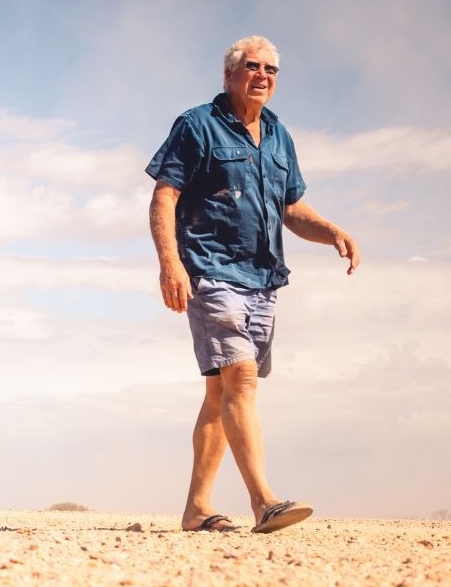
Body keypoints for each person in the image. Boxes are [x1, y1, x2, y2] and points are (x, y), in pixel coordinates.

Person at [146, 36, 360, 534]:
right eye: (252, 67)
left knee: (221, 390)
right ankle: (265, 502)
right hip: (209, 270)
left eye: (271, 69)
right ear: (229, 75)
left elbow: (291, 209)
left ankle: (197, 509)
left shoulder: (280, 135)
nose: (262, 75)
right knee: (240, 378)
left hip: (262, 279)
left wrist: (331, 231)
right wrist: (170, 264)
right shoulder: (197, 124)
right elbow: (164, 196)